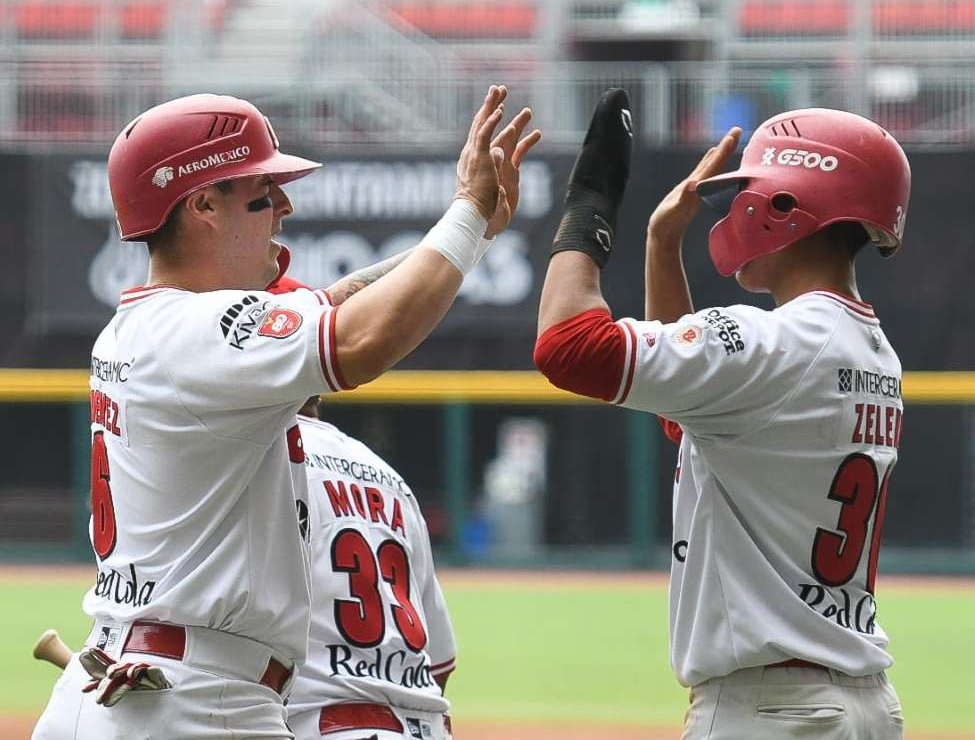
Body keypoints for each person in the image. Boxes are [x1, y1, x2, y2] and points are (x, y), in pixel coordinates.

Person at [32, 87, 539, 740]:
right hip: (198, 702)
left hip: (132, 684)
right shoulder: (196, 330)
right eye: (261, 193)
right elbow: (357, 340)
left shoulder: (156, 327)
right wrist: (467, 216)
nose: (284, 207)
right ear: (202, 204)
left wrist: (472, 231)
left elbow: (333, 305)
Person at [533, 90, 908, 739]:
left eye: (753, 194)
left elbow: (566, 349)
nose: (737, 209)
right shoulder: (870, 349)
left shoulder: (774, 338)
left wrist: (589, 205)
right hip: (859, 704)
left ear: (787, 208)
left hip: (771, 711)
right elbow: (691, 420)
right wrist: (660, 244)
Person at [283, 393, 456, 740]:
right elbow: (440, 661)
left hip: (322, 725)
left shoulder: (255, 458)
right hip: (424, 728)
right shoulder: (388, 476)